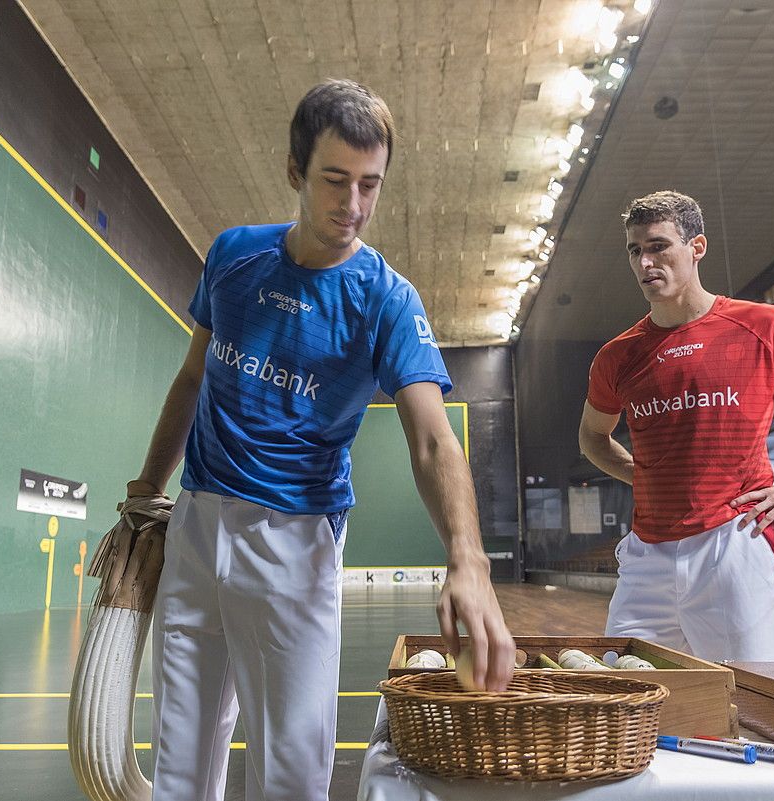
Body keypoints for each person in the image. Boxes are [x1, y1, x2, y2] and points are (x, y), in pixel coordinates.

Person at [127, 79, 515, 801]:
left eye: (371, 184)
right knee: (180, 763)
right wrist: (146, 492)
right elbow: (191, 379)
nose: (354, 205)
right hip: (196, 521)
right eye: (336, 180)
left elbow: (432, 439)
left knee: (291, 772)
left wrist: (468, 559)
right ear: (294, 172)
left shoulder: (387, 298)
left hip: (296, 543)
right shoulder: (233, 257)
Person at [578, 190, 774, 662]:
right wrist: (642, 473)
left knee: (753, 699)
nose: (645, 262)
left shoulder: (765, 325)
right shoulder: (617, 356)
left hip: (736, 542)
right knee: (631, 697)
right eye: (635, 251)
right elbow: (592, 436)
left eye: (658, 246)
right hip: (646, 556)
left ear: (697, 247)